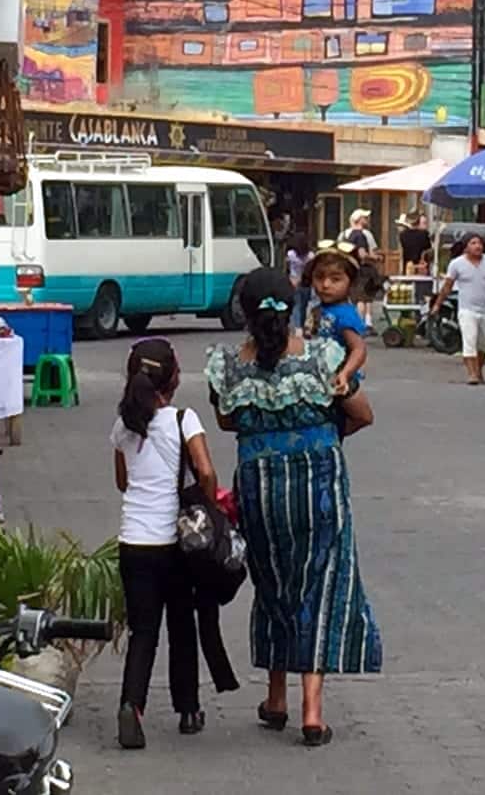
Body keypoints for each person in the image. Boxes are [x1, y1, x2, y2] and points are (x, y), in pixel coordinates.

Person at [206, 269, 380, 747]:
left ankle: (276, 697)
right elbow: (362, 413)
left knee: (274, 584)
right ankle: (312, 711)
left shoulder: (227, 364)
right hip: (318, 478)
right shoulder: (324, 356)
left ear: (245, 311)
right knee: (320, 585)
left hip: (259, 484)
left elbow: (226, 420)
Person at [112, 339, 220, 749]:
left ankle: (131, 705)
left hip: (132, 541)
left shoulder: (122, 425)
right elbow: (206, 472)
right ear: (174, 378)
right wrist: (207, 506)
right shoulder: (183, 419)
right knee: (181, 624)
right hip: (174, 542)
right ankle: (188, 709)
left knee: (144, 631)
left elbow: (123, 482)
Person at [431, 233, 485, 386]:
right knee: (469, 340)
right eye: (473, 243)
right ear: (466, 247)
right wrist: (437, 304)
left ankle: (478, 370)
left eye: (479, 243)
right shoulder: (457, 264)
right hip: (467, 310)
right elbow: (447, 286)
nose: (477, 246)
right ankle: (472, 374)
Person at [304, 240, 369, 395]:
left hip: (340, 383)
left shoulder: (345, 314)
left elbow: (358, 348)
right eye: (319, 277)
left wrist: (345, 373)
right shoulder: (316, 310)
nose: (325, 284)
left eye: (335, 279)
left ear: (351, 283)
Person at [342, 209, 381, 333]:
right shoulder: (360, 235)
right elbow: (362, 254)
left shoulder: (347, 235)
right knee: (362, 299)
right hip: (361, 271)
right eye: (365, 217)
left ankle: (355, 324)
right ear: (359, 220)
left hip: (350, 269)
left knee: (354, 299)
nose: (367, 220)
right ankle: (359, 326)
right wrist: (376, 257)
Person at [286, 233, 312, 333]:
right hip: (306, 282)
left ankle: (297, 328)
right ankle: (302, 324)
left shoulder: (291, 254)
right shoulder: (310, 255)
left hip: (294, 281)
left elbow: (287, 266)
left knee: (296, 305)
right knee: (304, 306)